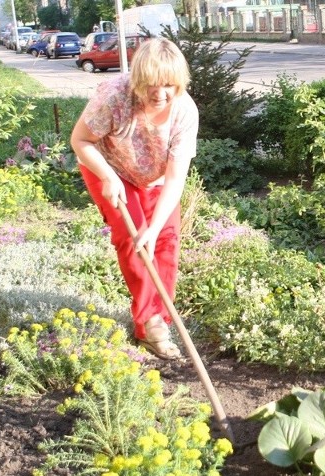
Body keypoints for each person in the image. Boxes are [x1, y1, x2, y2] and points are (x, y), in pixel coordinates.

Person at [71, 38, 198, 360]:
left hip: (156, 178)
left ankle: (159, 317)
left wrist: (156, 229)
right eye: (151, 85)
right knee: (134, 239)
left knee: (164, 241)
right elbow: (81, 140)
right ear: (137, 80)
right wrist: (108, 177)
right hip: (109, 169)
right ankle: (150, 326)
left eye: (169, 85)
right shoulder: (114, 97)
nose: (161, 94)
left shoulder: (184, 111)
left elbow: (175, 177)